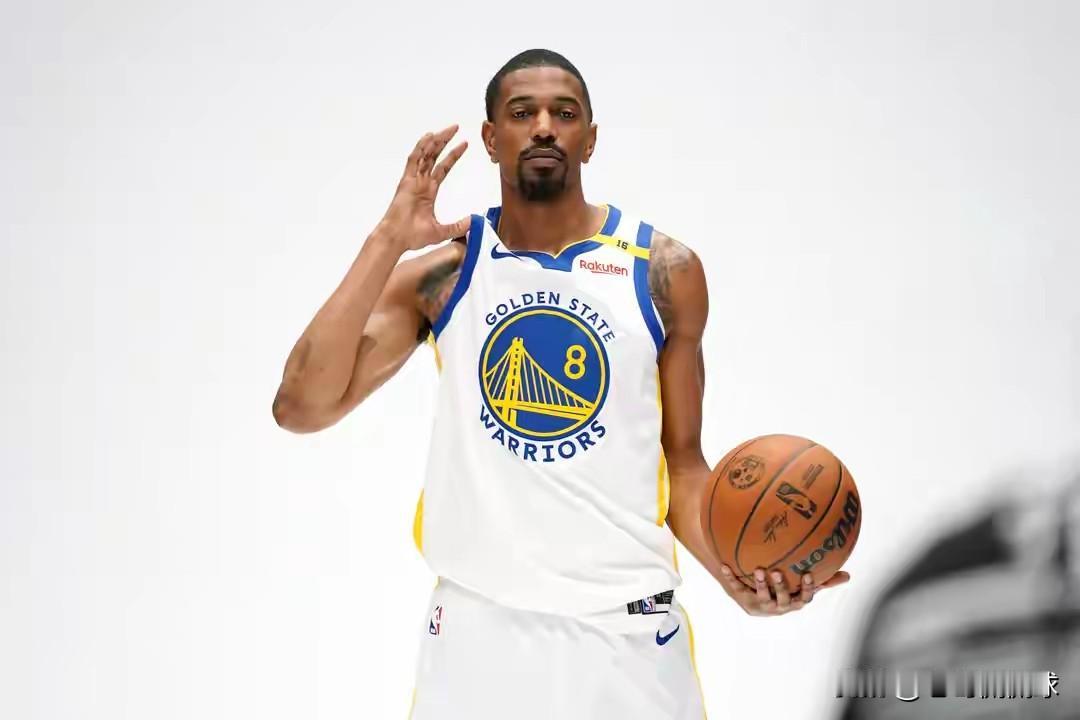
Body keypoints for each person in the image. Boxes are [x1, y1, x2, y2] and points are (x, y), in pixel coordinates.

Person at [272, 48, 850, 720]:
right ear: (492, 138)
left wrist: (737, 575)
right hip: (475, 636)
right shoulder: (447, 275)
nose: (544, 127)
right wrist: (386, 241)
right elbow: (300, 406)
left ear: (590, 138)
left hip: (628, 639)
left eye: (563, 113)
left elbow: (684, 466)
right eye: (522, 113)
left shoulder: (663, 273)